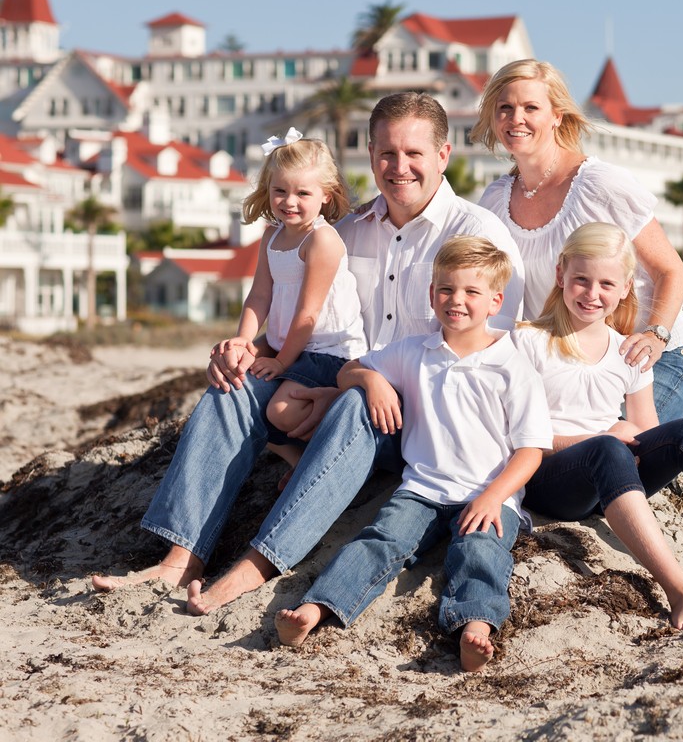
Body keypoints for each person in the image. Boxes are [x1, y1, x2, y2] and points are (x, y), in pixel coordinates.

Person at [92, 93, 525, 599]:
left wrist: (347, 389)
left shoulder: (477, 235)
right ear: (369, 154)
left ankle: (256, 564)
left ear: (443, 155)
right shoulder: (343, 232)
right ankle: (181, 556)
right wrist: (245, 348)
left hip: (416, 417)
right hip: (338, 381)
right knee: (232, 390)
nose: (399, 167)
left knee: (359, 405)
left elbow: (484, 360)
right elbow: (304, 320)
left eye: (414, 154)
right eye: (386, 153)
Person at [275, 236, 550, 672]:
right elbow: (348, 371)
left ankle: (475, 625)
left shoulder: (512, 366)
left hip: (488, 495)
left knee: (481, 550)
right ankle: (316, 609)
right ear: (431, 294)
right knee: (379, 541)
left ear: (496, 300)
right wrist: (374, 381)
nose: (456, 301)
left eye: (471, 292)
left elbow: (530, 451)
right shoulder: (413, 351)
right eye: (446, 289)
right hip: (421, 490)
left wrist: (494, 497)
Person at [511, 222, 683, 631]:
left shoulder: (627, 351)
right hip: (553, 480)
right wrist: (599, 437)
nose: (592, 294)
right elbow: (517, 437)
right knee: (608, 448)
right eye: (581, 280)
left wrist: (633, 441)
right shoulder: (528, 342)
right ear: (560, 275)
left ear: (625, 288)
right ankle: (680, 591)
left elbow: (645, 433)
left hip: (612, 479)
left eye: (607, 283)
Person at [471, 59, 683, 425]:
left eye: (530, 108)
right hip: (569, 360)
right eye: (504, 108)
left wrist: (656, 335)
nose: (515, 118)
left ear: (557, 116)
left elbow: (671, 270)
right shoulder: (494, 201)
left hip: (651, 357)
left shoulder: (601, 184)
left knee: (613, 446)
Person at [215, 129, 367, 480]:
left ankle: (328, 455)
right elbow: (259, 296)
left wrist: (280, 362)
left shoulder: (322, 240)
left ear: (325, 195)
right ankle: (297, 458)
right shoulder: (271, 234)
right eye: (279, 190)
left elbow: (308, 314)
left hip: (328, 351)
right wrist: (244, 341)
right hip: (291, 349)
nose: (289, 201)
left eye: (303, 193)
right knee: (243, 392)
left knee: (281, 410)